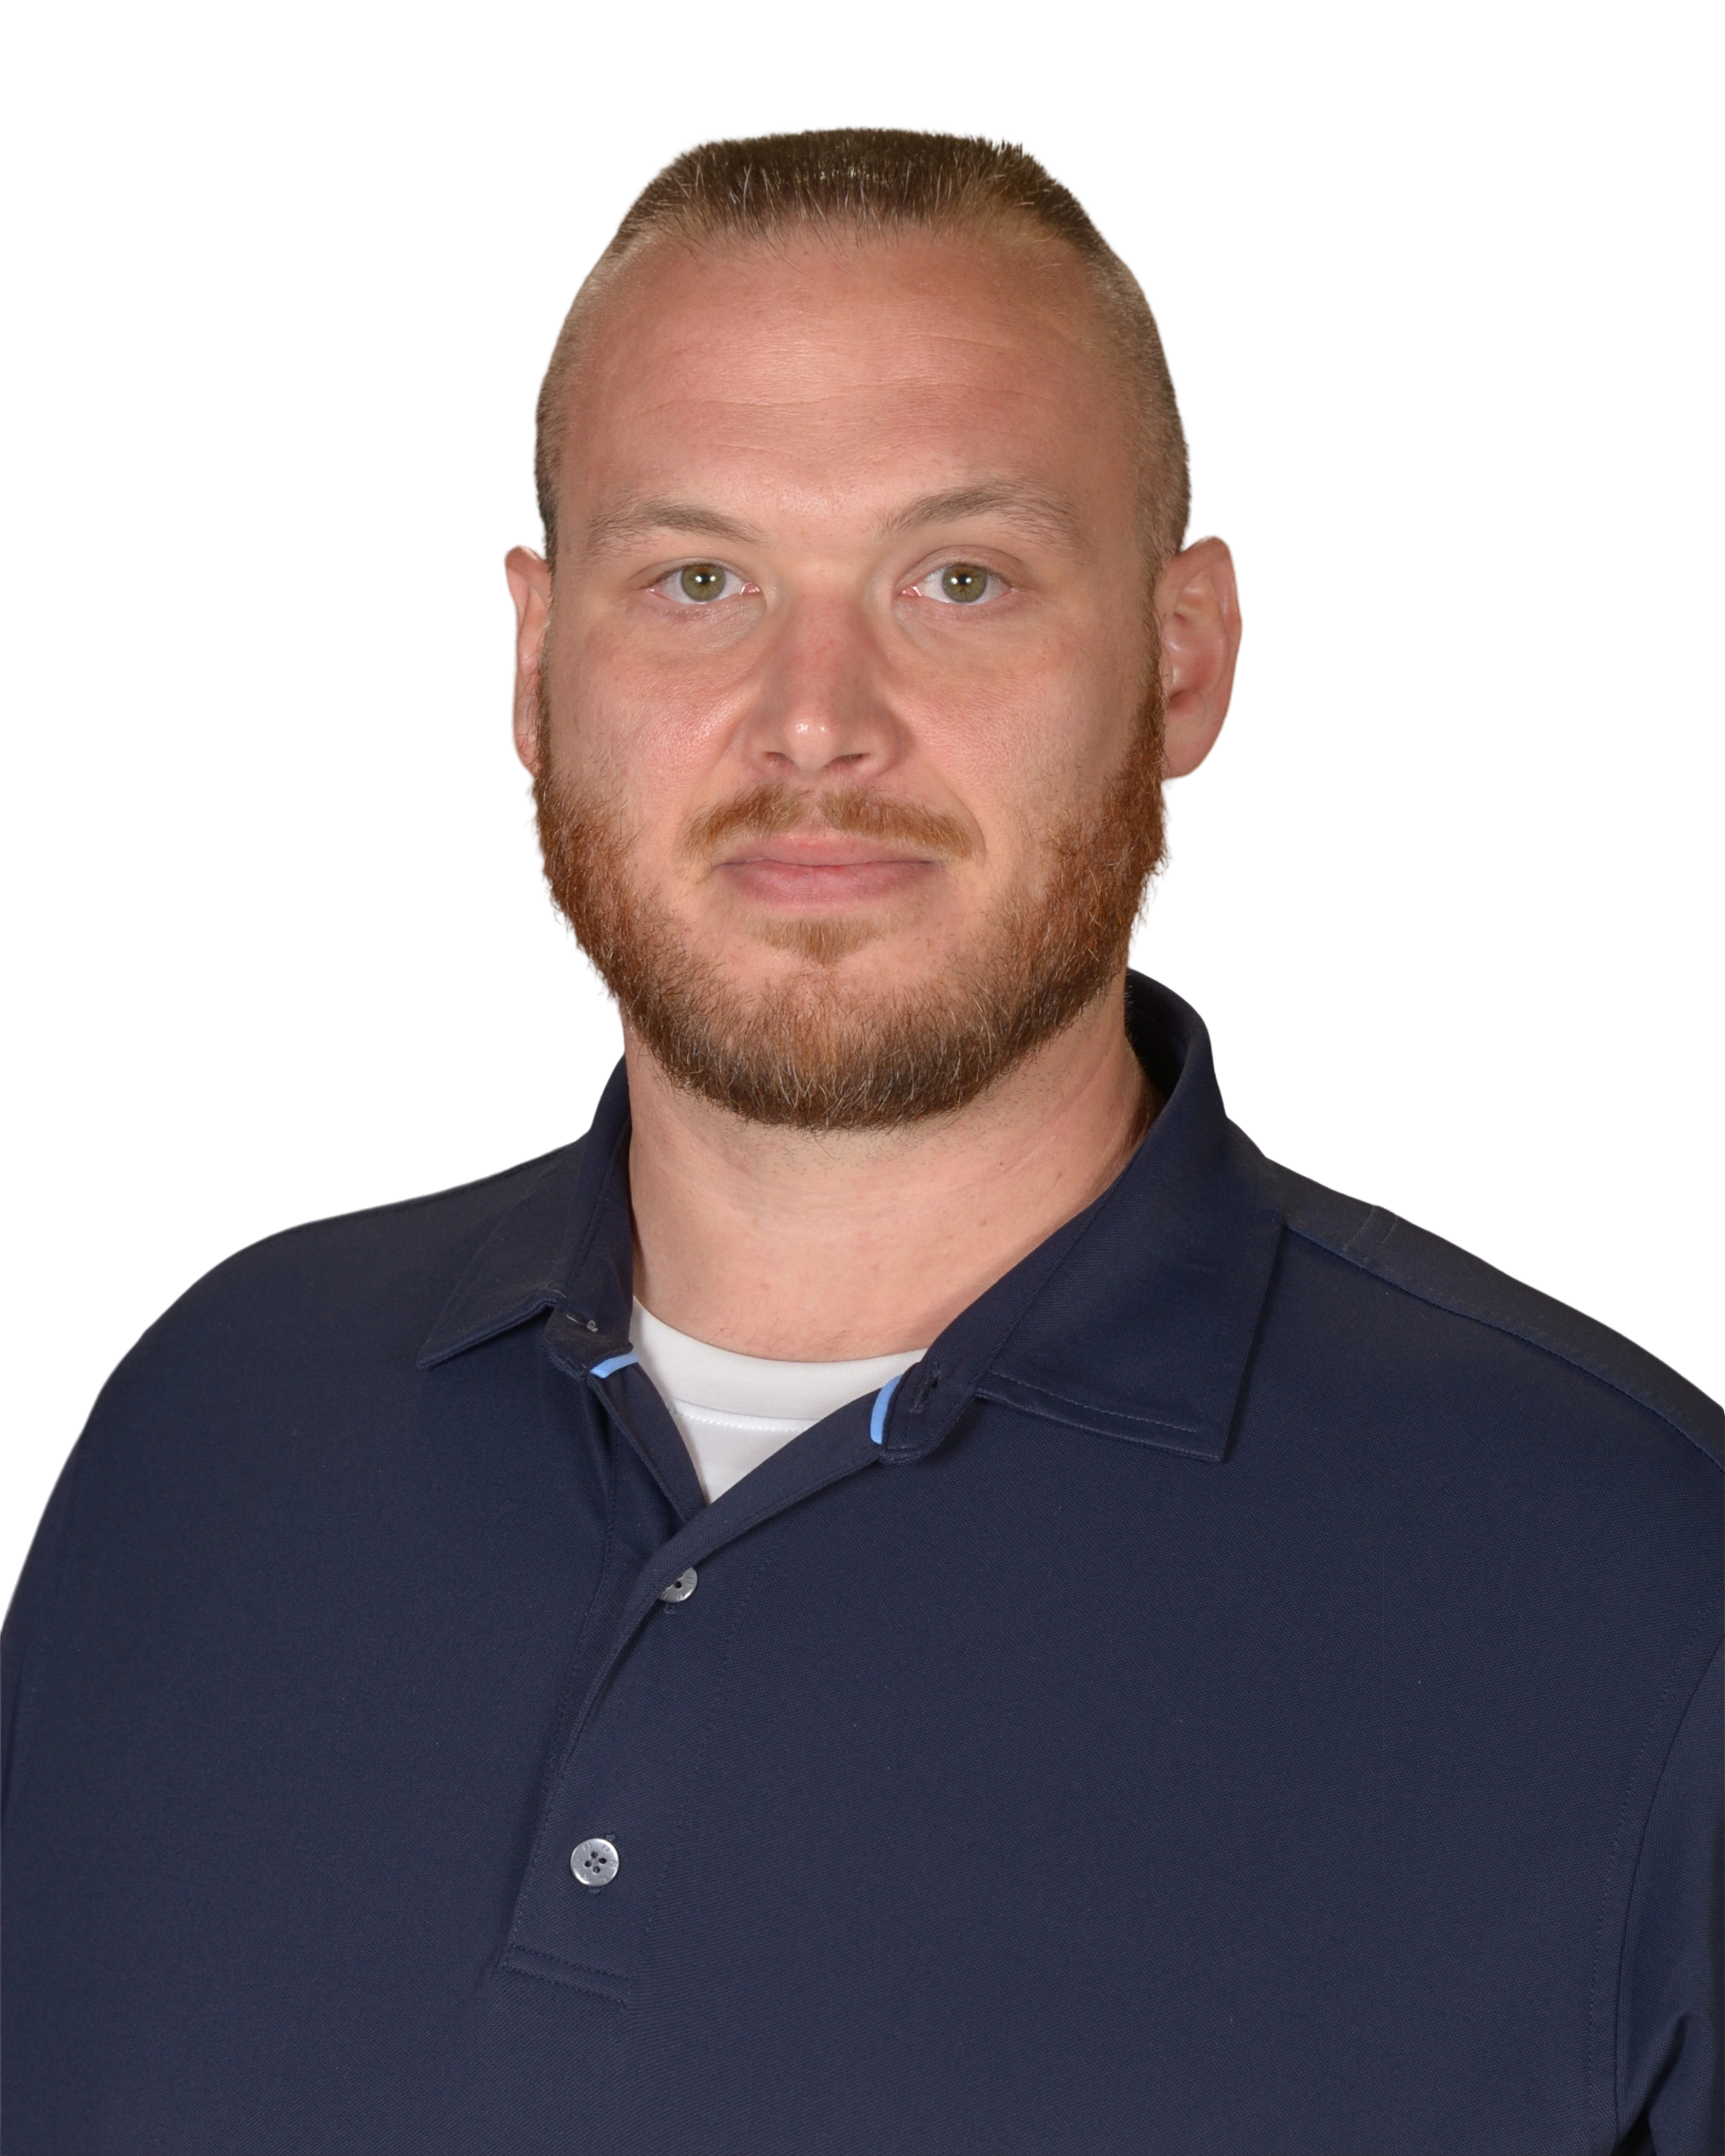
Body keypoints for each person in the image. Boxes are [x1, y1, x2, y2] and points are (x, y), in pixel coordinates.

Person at [3, 124, 1718, 2156]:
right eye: (699, 579)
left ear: (1184, 656)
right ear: (536, 660)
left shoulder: (1636, 1589)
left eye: (958, 580)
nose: (815, 717)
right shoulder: (205, 1421)